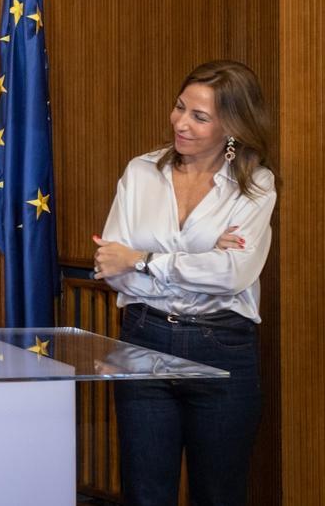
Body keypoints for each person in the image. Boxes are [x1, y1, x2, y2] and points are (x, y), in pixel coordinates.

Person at [93, 60, 275, 506]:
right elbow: (110, 268)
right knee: (145, 494)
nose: (180, 123)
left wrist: (144, 259)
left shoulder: (255, 186)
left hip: (222, 346)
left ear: (232, 126)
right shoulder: (141, 172)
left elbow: (233, 275)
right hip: (143, 339)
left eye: (199, 116)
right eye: (180, 108)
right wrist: (200, 257)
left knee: (218, 493)